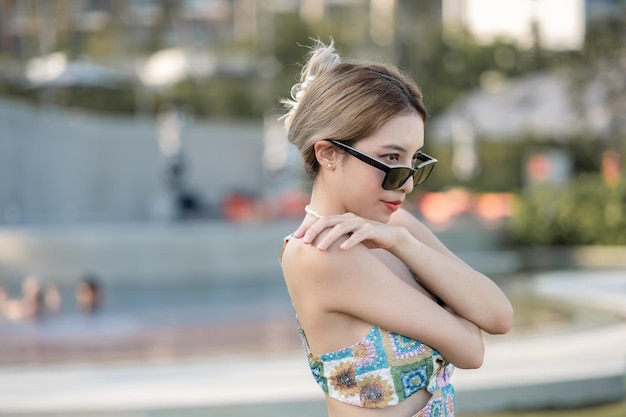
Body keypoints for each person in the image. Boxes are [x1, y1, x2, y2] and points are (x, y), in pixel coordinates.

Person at [279, 41, 514, 417]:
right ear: (328, 153)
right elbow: (472, 350)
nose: (406, 183)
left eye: (414, 161)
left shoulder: (395, 227)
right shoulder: (319, 252)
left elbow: (498, 316)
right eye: (391, 159)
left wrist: (404, 243)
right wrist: (460, 310)